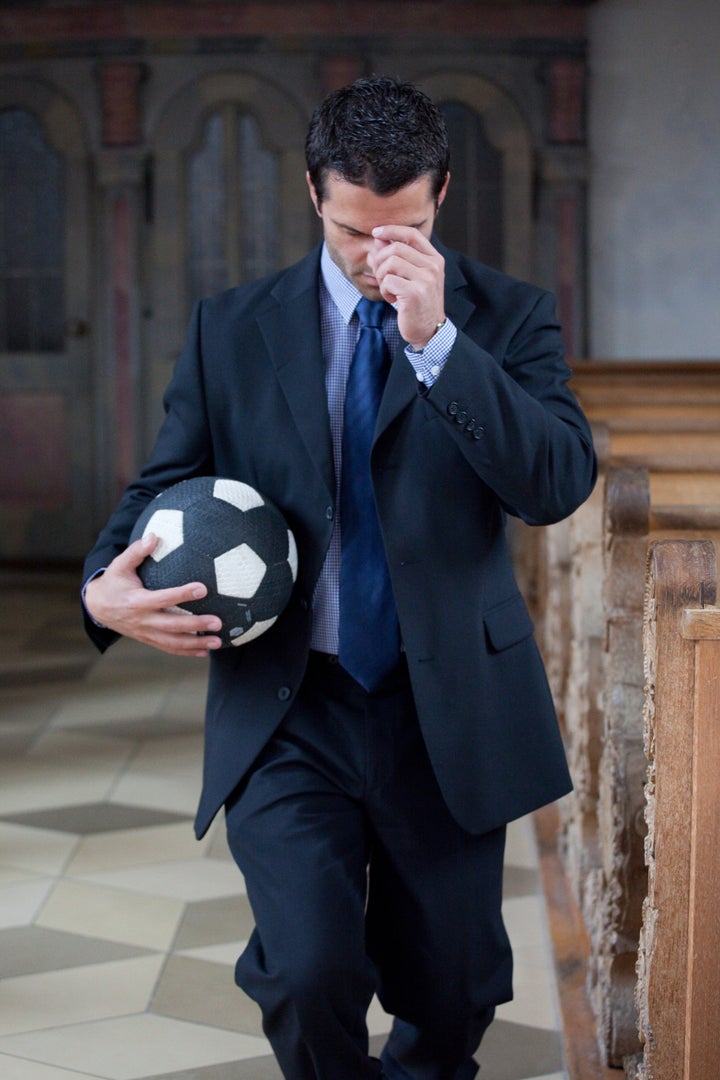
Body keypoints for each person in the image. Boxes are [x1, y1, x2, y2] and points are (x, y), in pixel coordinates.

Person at [83, 76, 597, 1080]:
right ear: (316, 196)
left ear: (441, 193)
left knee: (451, 994)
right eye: (357, 231)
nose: (376, 257)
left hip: (444, 705)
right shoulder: (230, 328)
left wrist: (438, 343)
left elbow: (555, 483)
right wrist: (106, 585)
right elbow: (166, 482)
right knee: (311, 972)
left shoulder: (510, 317)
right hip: (291, 705)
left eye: (401, 229)